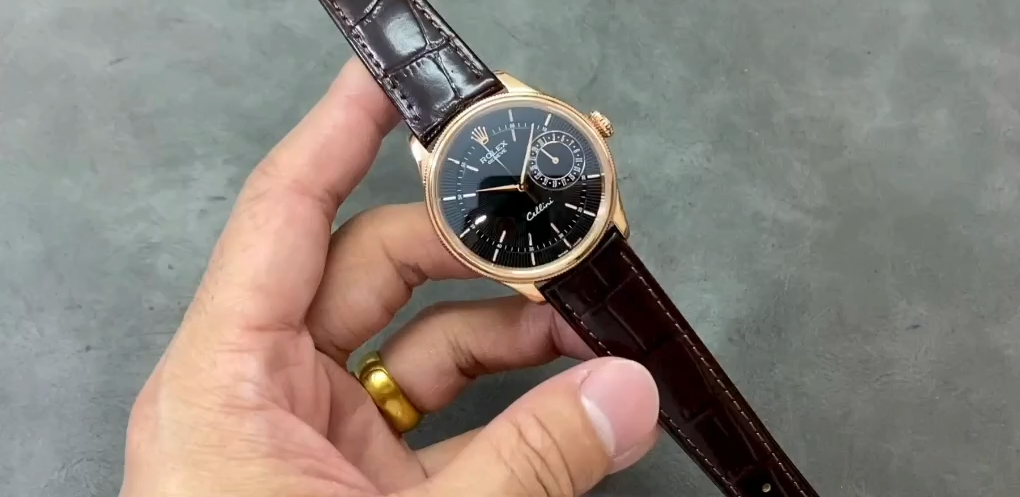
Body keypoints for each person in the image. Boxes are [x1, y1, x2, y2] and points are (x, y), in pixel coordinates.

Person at [120, 58, 662, 497]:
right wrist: (547, 454)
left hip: (582, 225)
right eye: (509, 185)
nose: (522, 186)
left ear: (594, 132)